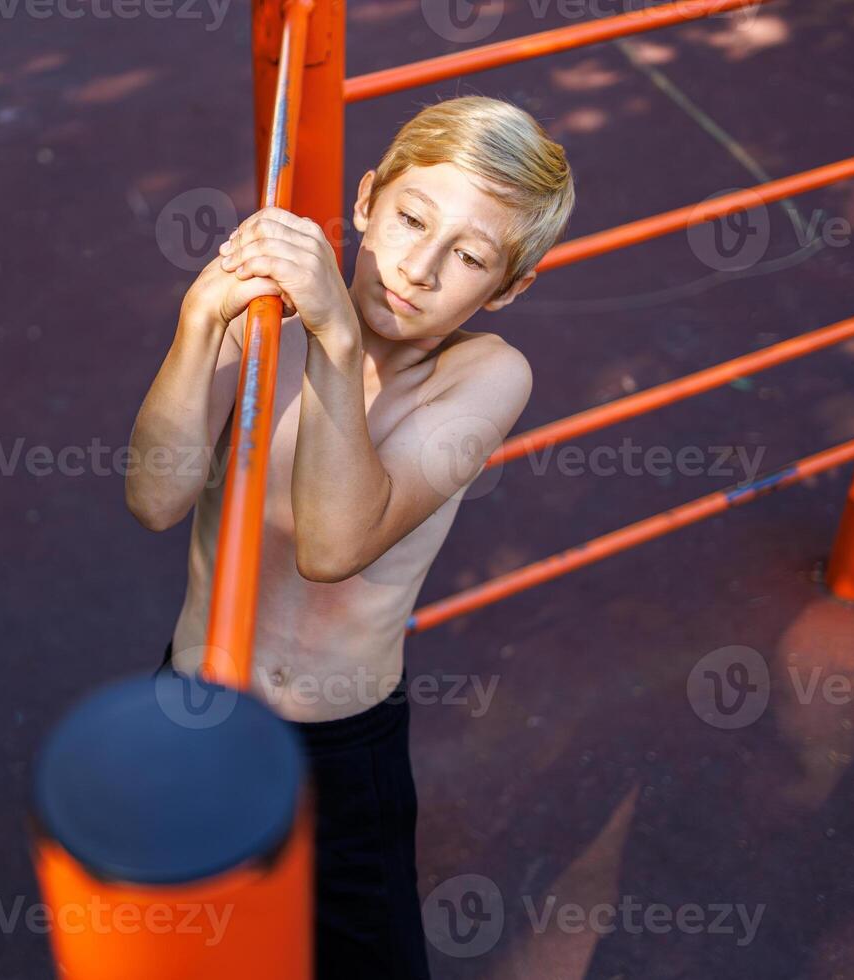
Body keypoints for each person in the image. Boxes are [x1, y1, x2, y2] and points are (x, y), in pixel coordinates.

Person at [125, 95, 575, 979]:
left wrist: (335, 336)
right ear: (366, 202)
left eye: (471, 256)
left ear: (509, 287)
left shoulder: (483, 376)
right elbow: (155, 499)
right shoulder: (267, 328)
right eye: (411, 218)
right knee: (186, 944)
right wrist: (197, 322)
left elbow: (334, 544)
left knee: (365, 960)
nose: (420, 266)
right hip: (195, 700)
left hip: (332, 745)